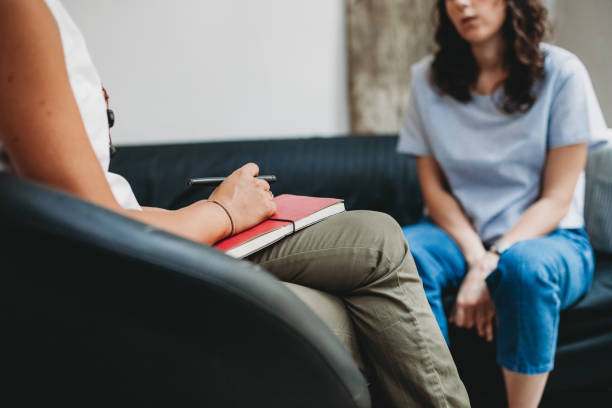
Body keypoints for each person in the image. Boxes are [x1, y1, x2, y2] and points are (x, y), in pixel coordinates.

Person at [0, 1, 471, 406]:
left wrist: (207, 211)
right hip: (121, 272)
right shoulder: (18, 13)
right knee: (351, 317)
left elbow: (100, 198)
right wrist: (222, 212)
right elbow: (91, 227)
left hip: (137, 237)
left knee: (376, 236)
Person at [398, 0, 609, 407]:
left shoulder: (563, 74)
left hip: (550, 236)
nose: (462, 3)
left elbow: (557, 199)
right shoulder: (426, 79)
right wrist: (477, 259)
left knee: (524, 269)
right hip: (456, 237)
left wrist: (495, 257)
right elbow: (435, 193)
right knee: (399, 255)